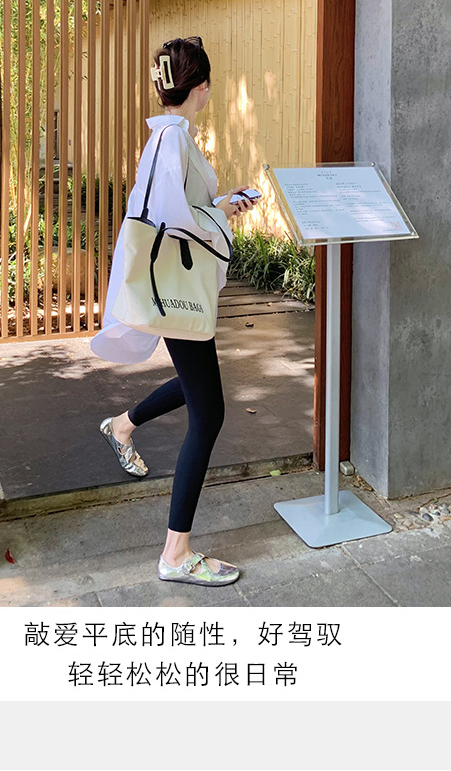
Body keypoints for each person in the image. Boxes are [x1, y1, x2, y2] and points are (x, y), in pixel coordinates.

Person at [90, 35, 256, 586]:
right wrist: (220, 214)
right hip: (178, 287)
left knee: (196, 387)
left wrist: (220, 204)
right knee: (209, 413)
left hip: (177, 285)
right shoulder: (173, 138)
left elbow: (178, 208)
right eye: (209, 84)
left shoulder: (167, 134)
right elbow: (170, 217)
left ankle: (121, 426)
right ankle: (175, 553)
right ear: (201, 87)